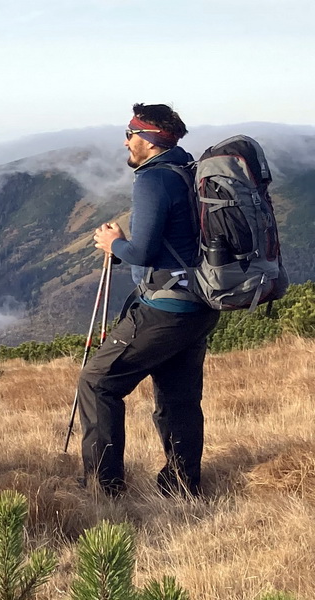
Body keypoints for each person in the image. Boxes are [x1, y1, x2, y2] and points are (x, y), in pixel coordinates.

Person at [82, 103, 221, 497]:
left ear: (149, 140)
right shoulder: (188, 172)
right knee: (179, 398)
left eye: (130, 133)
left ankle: (103, 488)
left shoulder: (153, 180)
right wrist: (125, 241)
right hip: (200, 304)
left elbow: (141, 252)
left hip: (165, 308)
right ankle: (181, 486)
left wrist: (113, 243)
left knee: (98, 382)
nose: (125, 141)